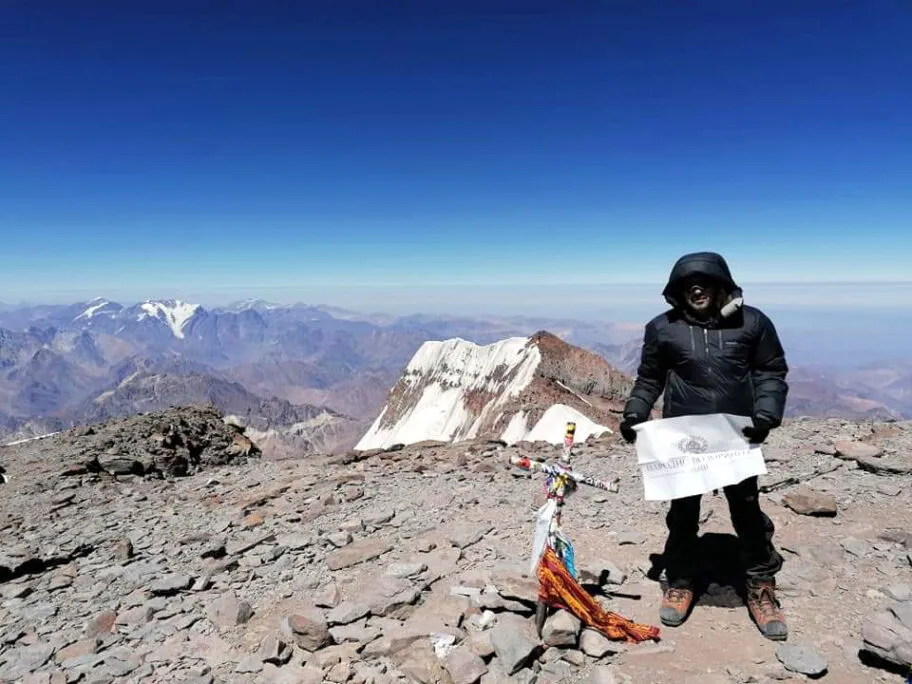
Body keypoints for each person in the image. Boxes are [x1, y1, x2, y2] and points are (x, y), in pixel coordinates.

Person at [618, 251, 789, 641]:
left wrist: (765, 416)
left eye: (704, 282)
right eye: (687, 284)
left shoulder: (754, 322)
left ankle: (760, 586)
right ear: (677, 291)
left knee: (745, 509)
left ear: (720, 285)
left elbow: (770, 370)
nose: (696, 288)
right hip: (684, 436)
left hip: (736, 436)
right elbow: (650, 378)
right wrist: (634, 414)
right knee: (683, 511)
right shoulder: (663, 328)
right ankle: (680, 579)